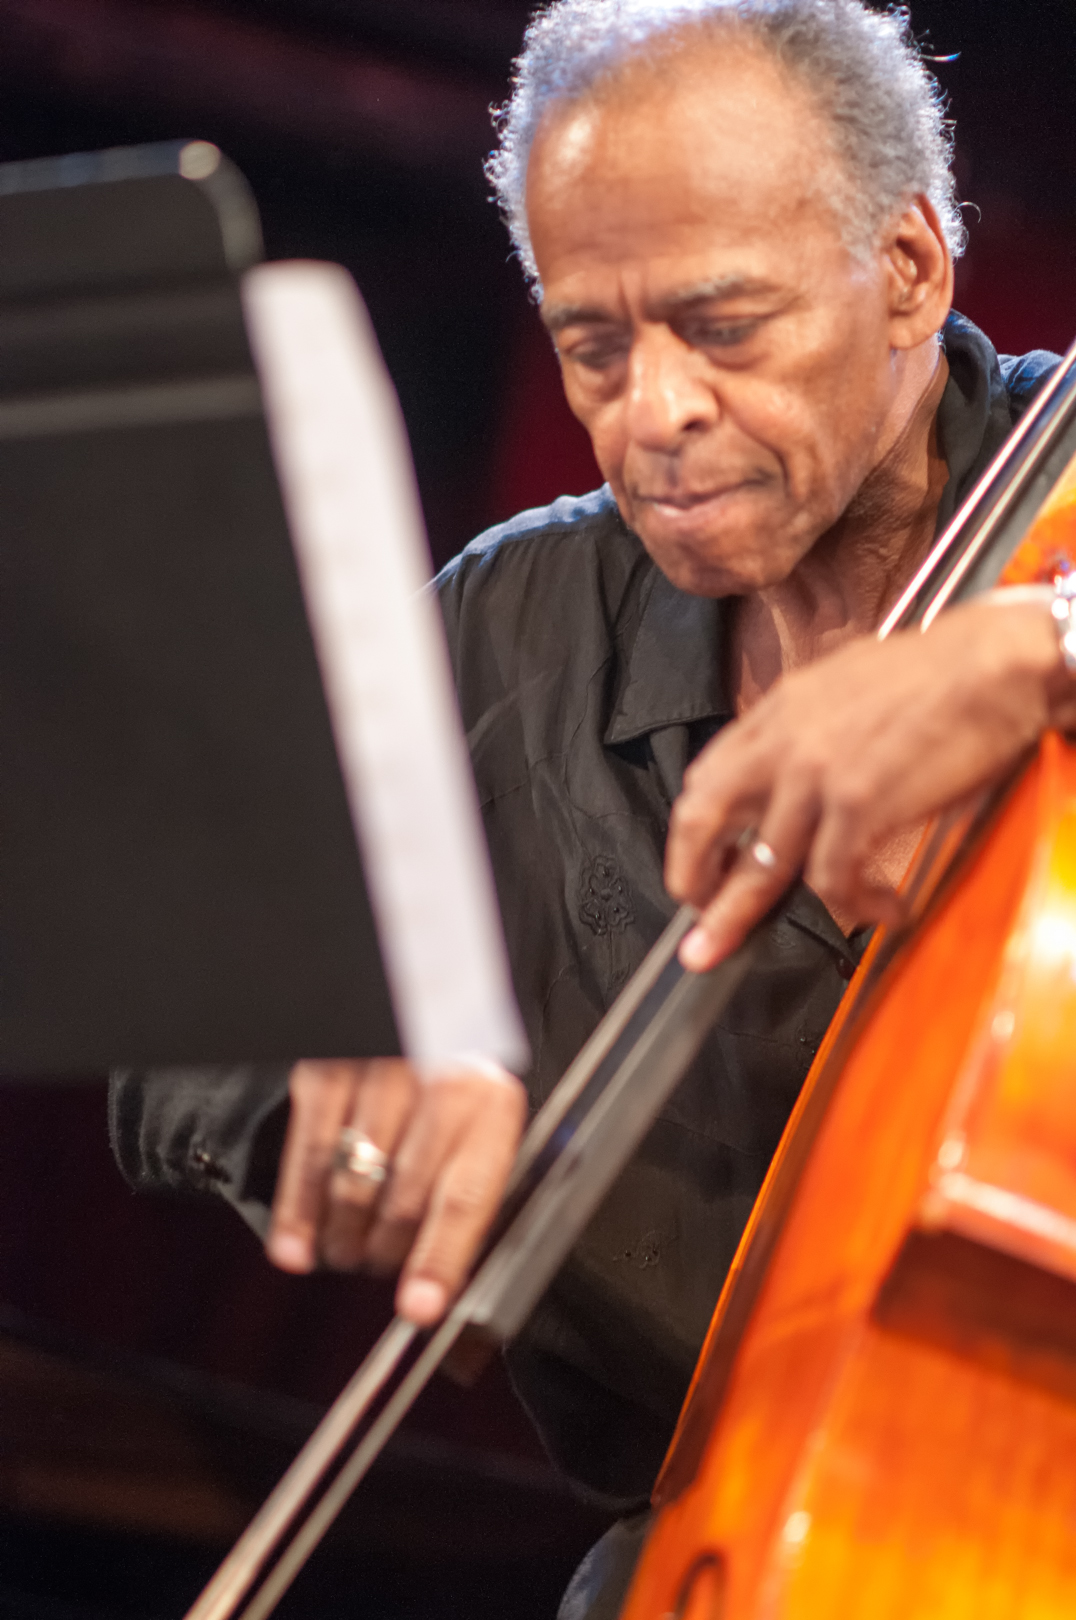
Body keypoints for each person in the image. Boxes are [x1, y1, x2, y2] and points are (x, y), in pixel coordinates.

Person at [110, 0, 1076, 1611]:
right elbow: (176, 1016)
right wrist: (354, 1071)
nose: (656, 413)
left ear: (909, 268)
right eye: (596, 346)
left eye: (727, 325)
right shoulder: (518, 623)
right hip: (722, 1547)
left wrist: (1036, 651)